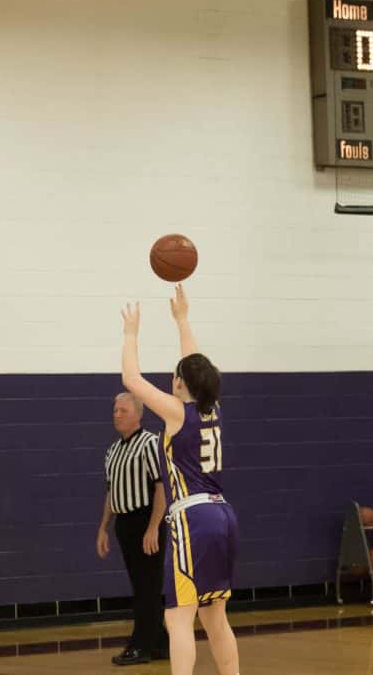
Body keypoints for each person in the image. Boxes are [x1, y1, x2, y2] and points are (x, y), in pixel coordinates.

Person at [119, 286, 240, 675]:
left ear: (179, 383)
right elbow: (194, 365)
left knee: (177, 617)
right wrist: (182, 319)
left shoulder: (177, 413)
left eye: (176, 374)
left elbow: (131, 378)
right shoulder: (212, 407)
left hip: (193, 520)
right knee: (215, 616)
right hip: (223, 516)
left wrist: (131, 333)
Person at [97, 392, 169, 665]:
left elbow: (162, 488)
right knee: (141, 585)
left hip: (146, 520)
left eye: (123, 411)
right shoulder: (112, 451)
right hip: (124, 524)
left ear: (138, 414)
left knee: (147, 587)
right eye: (115, 410)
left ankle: (140, 646)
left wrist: (153, 527)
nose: (117, 415)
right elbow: (111, 493)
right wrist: (104, 527)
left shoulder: (150, 444)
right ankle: (160, 643)